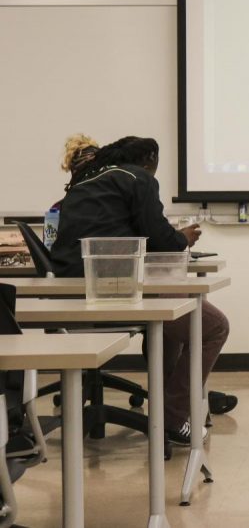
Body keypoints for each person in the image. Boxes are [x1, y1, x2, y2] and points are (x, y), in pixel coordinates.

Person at [50, 136, 236, 445]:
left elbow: (125, 233)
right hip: (117, 288)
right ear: (149, 160)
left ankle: (166, 408)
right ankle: (173, 418)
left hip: (73, 293)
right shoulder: (139, 179)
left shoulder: (83, 184)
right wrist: (183, 239)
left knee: (167, 326)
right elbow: (160, 239)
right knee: (214, 327)